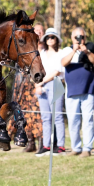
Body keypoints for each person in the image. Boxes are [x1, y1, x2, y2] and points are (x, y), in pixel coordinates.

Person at [61, 27, 94, 157]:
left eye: (82, 37)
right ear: (71, 38)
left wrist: (87, 52)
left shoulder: (91, 48)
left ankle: (87, 148)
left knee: (88, 119)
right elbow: (63, 63)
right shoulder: (67, 50)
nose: (80, 39)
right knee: (73, 120)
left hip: (88, 89)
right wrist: (74, 50)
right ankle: (75, 147)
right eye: (77, 37)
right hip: (71, 91)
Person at [7, 24, 44, 152]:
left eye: (40, 31)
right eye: (36, 30)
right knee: (24, 112)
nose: (38, 32)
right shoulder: (27, 45)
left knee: (37, 113)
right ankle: (30, 141)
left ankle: (42, 142)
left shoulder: (44, 49)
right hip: (21, 81)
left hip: (36, 83)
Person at [34, 28, 66, 156]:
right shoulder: (41, 53)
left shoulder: (61, 53)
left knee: (57, 116)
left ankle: (60, 146)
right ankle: (46, 146)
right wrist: (37, 85)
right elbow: (37, 70)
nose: (50, 39)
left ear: (57, 39)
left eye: (52, 37)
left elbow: (56, 72)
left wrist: (41, 83)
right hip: (42, 86)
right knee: (46, 117)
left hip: (56, 84)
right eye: (48, 37)